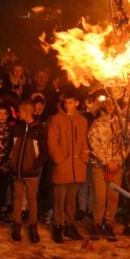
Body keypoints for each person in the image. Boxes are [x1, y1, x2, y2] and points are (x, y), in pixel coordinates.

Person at [47, 91, 89, 244]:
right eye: (65, 102)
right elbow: (51, 142)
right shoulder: (56, 119)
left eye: (70, 102)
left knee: (72, 199)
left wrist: (84, 157)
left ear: (77, 103)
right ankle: (58, 225)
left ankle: (69, 225)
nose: (67, 105)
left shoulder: (82, 121)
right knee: (60, 198)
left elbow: (84, 140)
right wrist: (59, 159)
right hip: (63, 165)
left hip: (76, 166)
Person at [88, 96, 130, 241]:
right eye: (108, 103)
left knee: (113, 197)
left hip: (116, 167)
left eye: (113, 103)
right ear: (104, 105)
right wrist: (106, 161)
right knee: (100, 197)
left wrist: (117, 161)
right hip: (100, 166)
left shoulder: (122, 124)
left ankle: (109, 224)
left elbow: (127, 144)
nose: (111, 106)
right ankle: (97, 224)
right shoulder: (97, 124)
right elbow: (93, 143)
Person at [8, 100, 48, 243]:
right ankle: (17, 225)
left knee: (32, 198)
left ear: (26, 113)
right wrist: (11, 162)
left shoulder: (39, 130)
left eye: (19, 112)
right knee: (17, 197)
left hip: (31, 171)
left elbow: (44, 151)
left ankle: (33, 226)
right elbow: (11, 147)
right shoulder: (17, 128)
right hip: (17, 170)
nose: (17, 114)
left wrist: (35, 164)